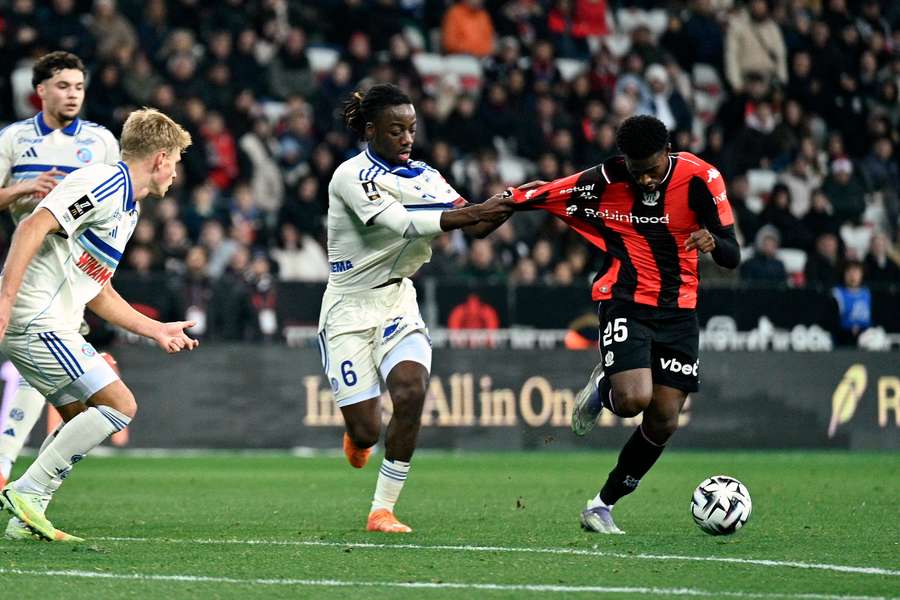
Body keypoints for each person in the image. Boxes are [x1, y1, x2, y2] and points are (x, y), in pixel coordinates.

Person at [508, 115, 739, 534]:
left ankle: (601, 505)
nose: (646, 180)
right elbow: (551, 191)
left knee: (665, 418)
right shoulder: (606, 179)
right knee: (633, 399)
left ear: (667, 153)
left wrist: (713, 243)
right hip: (625, 300)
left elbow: (732, 253)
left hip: (680, 310)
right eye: (637, 172)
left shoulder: (701, 178)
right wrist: (504, 202)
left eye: (652, 169)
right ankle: (605, 389)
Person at [320, 83, 513, 533]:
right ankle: (358, 435)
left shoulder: (425, 175)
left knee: (410, 391)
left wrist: (521, 200)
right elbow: (405, 224)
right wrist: (478, 211)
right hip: (348, 309)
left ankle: (381, 510)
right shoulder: (350, 176)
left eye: (411, 128)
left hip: (397, 300)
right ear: (371, 131)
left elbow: (478, 222)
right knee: (367, 431)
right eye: (395, 130)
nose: (407, 138)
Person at [0, 108, 197, 542]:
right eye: (177, 162)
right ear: (161, 158)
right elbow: (31, 226)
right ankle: (28, 491)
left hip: (53, 321)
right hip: (36, 318)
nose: (176, 174)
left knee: (81, 415)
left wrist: (156, 329)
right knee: (120, 405)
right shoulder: (104, 183)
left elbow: (97, 289)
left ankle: (23, 520)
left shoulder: (128, 207)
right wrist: (5, 300)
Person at [0, 52, 120, 507]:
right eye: (63, 85)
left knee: (67, 394)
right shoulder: (13, 140)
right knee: (86, 398)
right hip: (31, 270)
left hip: (83, 275)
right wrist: (23, 190)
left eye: (78, 87)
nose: (72, 94)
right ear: (42, 90)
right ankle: (21, 483)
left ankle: (17, 480)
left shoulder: (100, 142)